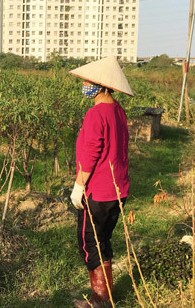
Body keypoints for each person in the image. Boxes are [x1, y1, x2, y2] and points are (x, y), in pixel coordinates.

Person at [68, 57, 134, 308]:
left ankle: (100, 301)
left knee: (89, 242)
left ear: (101, 85)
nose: (84, 85)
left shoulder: (97, 113)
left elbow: (91, 151)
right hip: (118, 188)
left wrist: (79, 185)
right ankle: (104, 298)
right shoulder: (118, 110)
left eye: (89, 81)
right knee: (102, 240)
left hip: (98, 190)